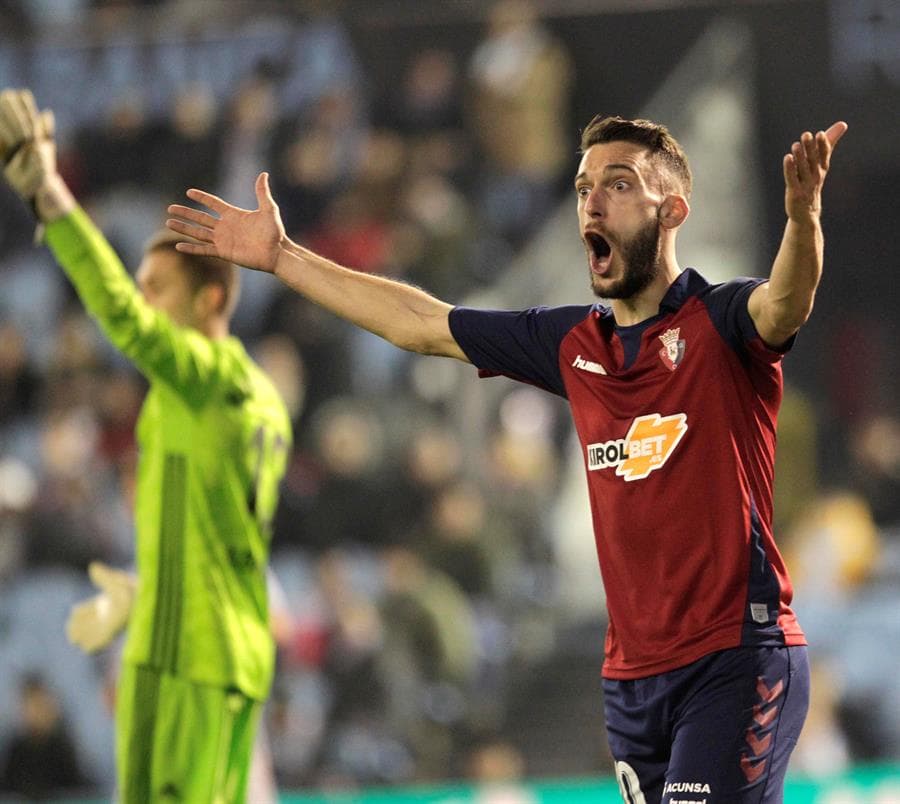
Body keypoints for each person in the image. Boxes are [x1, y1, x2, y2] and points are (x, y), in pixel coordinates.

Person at [165, 109, 847, 802]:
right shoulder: (575, 343)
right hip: (633, 681)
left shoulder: (721, 322)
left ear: (671, 210)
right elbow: (423, 323)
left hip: (733, 658)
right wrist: (284, 257)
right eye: (583, 188)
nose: (592, 202)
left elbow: (785, 303)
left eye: (617, 184)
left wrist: (802, 217)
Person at [0, 88, 292, 803]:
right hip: (183, 644)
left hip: (198, 659)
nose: (145, 303)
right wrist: (142, 598)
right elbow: (218, 542)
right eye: (143, 288)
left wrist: (49, 197)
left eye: (157, 288)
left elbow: (125, 324)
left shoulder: (211, 379)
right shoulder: (221, 401)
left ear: (212, 300)